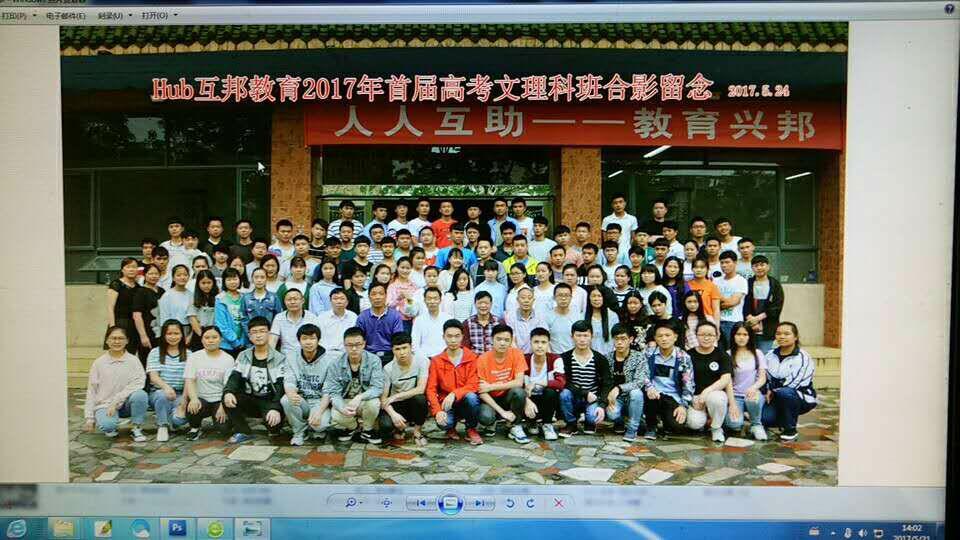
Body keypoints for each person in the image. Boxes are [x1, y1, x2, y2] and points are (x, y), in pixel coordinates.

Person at [222, 317, 287, 444]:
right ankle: (243, 431)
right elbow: (235, 377)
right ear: (249, 336)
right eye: (254, 332)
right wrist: (228, 391)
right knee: (228, 396)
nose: (258, 335)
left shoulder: (279, 358)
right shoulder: (244, 355)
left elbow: (281, 387)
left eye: (262, 331)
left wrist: (276, 408)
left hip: (270, 400)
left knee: (273, 428)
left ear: (269, 334)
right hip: (250, 398)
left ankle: (272, 424)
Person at [83, 326, 149, 442]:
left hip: (126, 404)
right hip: (105, 405)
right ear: (107, 341)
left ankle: (136, 427)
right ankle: (111, 423)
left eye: (121, 338)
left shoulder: (134, 360)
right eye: (113, 338)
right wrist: (89, 418)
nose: (117, 342)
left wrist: (116, 401)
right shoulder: (99, 363)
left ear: (127, 341)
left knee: (140, 395)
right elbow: (92, 390)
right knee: (108, 426)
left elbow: (139, 383)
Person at [321, 327, 385, 444]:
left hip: (364, 400)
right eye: (350, 345)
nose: (354, 349)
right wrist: (342, 408)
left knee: (374, 403)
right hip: (346, 401)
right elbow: (333, 392)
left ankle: (367, 429)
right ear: (344, 345)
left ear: (364, 344)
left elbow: (377, 387)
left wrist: (359, 397)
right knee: (336, 414)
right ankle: (353, 427)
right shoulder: (336, 364)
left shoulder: (374, 360)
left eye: (358, 344)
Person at [426, 320, 484, 445]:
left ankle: (471, 428)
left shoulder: (472, 357)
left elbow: (473, 384)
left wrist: (454, 394)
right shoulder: (436, 361)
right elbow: (431, 389)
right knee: (444, 423)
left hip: (465, 401)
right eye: (449, 336)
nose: (453, 340)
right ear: (443, 337)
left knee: (472, 397)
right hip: (446, 403)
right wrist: (437, 411)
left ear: (462, 337)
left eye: (457, 336)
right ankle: (450, 428)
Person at [476, 325, 532, 443]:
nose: (502, 343)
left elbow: (519, 382)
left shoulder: (517, 354)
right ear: (492, 339)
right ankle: (494, 420)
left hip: (508, 396)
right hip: (490, 399)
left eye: (506, 340)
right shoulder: (482, 359)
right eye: (499, 339)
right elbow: (482, 391)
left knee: (519, 392)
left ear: (511, 341)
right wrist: (502, 412)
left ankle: (515, 425)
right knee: (486, 417)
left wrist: (491, 386)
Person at [762, 322, 817, 441]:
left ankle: (790, 429)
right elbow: (764, 377)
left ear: (795, 337)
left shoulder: (803, 357)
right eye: (778, 333)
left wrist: (773, 390)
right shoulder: (770, 355)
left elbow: (795, 383)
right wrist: (767, 390)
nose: (781, 337)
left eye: (786, 334)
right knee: (765, 419)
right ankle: (782, 419)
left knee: (786, 392)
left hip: (799, 396)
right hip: (775, 396)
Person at [281, 324, 333, 446]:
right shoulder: (291, 357)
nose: (308, 342)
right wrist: (291, 393)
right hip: (302, 400)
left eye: (312, 338)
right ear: (299, 340)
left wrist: (319, 411)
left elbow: (328, 390)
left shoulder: (329, 360)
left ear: (318, 340)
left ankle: (316, 428)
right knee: (286, 399)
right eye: (304, 338)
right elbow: (289, 380)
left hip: (319, 401)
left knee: (320, 426)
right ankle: (299, 432)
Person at [642, 320, 695, 440]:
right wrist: (649, 387)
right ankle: (651, 426)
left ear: (675, 337)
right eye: (660, 336)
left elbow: (689, 384)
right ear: (655, 338)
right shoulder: (648, 354)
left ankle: (663, 420)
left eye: (667, 335)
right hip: (652, 395)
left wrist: (683, 405)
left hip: (672, 397)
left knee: (677, 426)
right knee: (650, 397)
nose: (664, 339)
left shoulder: (683, 357)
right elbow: (642, 374)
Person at [557, 321, 611, 437]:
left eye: (586, 335)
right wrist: (584, 393)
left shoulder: (600, 359)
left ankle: (588, 420)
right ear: (572, 336)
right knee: (564, 394)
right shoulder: (565, 358)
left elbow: (607, 383)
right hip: (574, 397)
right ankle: (571, 424)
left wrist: (602, 405)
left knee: (592, 418)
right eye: (578, 335)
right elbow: (563, 382)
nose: (582, 339)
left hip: (593, 398)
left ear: (592, 336)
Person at [684, 321, 735, 443]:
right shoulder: (688, 355)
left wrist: (706, 392)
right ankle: (705, 418)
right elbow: (684, 380)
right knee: (694, 423)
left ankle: (716, 428)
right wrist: (691, 400)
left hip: (714, 394)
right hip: (695, 397)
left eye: (710, 335)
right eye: (702, 334)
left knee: (717, 399)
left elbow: (725, 379)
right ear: (696, 335)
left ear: (716, 336)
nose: (706, 338)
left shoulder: (722, 355)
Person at [183, 326, 234, 440]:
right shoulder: (194, 357)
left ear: (221, 339)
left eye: (214, 337)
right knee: (193, 408)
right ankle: (195, 428)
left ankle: (223, 422)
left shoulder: (228, 359)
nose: (210, 340)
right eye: (207, 337)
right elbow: (190, 380)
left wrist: (223, 406)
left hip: (219, 399)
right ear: (202, 340)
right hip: (201, 399)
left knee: (224, 429)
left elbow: (229, 385)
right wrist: (193, 399)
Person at [379, 333, 430, 446]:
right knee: (386, 425)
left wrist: (396, 396)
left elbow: (421, 389)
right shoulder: (388, 368)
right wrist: (393, 414)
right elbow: (383, 399)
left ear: (411, 347)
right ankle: (399, 427)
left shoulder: (422, 361)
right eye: (397, 349)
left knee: (420, 399)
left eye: (404, 348)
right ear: (392, 350)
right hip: (397, 405)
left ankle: (417, 431)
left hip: (413, 401)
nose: (402, 352)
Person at [604, 324, 650, 442]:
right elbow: (604, 381)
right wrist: (608, 395)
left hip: (632, 398)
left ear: (630, 339)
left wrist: (619, 388)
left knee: (636, 393)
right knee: (612, 414)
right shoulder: (608, 358)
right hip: (616, 398)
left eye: (623, 339)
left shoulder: (639, 357)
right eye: (616, 339)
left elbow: (639, 381)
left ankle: (632, 429)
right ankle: (620, 422)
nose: (619, 342)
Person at [146, 320, 190, 441]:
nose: (173, 337)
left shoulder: (189, 354)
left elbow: (189, 379)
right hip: (159, 392)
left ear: (182, 335)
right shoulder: (155, 352)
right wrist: (166, 387)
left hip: (180, 393)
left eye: (176, 333)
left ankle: (172, 419)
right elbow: (153, 376)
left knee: (179, 420)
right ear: (163, 335)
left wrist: (184, 399)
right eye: (169, 333)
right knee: (162, 396)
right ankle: (163, 426)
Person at [723, 322, 768, 440]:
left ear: (750, 336)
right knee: (734, 424)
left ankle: (756, 425)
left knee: (752, 398)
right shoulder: (727, 354)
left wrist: (753, 388)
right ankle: (742, 414)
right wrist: (732, 404)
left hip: (753, 393)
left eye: (745, 334)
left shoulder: (758, 353)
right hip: (735, 395)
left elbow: (762, 378)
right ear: (733, 336)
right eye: (738, 334)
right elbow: (727, 382)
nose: (741, 338)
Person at [523, 328, 564, 440]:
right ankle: (531, 422)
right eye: (536, 342)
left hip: (547, 401)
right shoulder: (525, 359)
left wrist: (536, 382)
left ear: (548, 344)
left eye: (543, 342)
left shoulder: (555, 359)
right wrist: (527, 401)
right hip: (529, 400)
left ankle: (547, 424)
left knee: (551, 392)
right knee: (518, 394)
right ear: (531, 343)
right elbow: (518, 384)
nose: (540, 346)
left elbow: (560, 383)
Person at [743, 255, 785, 354]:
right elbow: (744, 304)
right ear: (752, 268)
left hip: (767, 328)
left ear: (768, 266)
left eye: (762, 265)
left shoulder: (775, 284)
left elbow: (777, 306)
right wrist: (751, 321)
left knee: (765, 355)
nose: (759, 268)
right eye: (756, 266)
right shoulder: (748, 283)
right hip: (749, 328)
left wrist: (757, 319)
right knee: (750, 355)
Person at [356, 283, 405, 365]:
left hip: (390, 355)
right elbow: (359, 340)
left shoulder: (395, 315)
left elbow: (398, 339)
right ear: (369, 297)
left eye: (381, 294)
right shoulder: (362, 317)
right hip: (369, 355)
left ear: (386, 296)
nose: (377, 297)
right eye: (374, 294)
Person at [270, 289, 321, 359]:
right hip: (285, 357)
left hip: (307, 356)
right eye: (289, 299)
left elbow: (318, 340)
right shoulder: (279, 317)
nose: (292, 302)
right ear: (284, 302)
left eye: (295, 299)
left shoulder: (312, 317)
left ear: (303, 301)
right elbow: (272, 341)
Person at [107, 257, 143, 354]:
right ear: (122, 270)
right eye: (128, 267)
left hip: (134, 325)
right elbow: (110, 307)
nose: (131, 269)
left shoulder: (139, 287)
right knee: (117, 352)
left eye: (134, 267)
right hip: (120, 323)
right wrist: (113, 327)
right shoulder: (116, 284)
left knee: (131, 353)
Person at [716, 250, 749, 346]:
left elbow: (732, 302)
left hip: (733, 322)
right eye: (722, 263)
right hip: (717, 321)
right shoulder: (716, 281)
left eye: (727, 262)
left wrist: (717, 304)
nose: (724, 265)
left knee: (732, 349)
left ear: (735, 263)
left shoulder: (741, 281)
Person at [132, 264, 165, 361]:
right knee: (147, 360)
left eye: (156, 274)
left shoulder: (162, 291)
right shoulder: (140, 292)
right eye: (150, 273)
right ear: (145, 275)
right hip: (147, 331)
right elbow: (137, 315)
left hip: (161, 332)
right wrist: (143, 336)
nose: (154, 276)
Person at [214, 268, 247, 357]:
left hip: (244, 342)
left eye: (235, 279)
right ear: (224, 282)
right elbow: (221, 325)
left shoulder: (245, 297)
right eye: (229, 279)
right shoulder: (220, 299)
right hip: (226, 345)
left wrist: (243, 341)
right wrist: (235, 342)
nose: (232, 282)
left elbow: (247, 320)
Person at [503, 287, 546, 354]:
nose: (526, 301)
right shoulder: (510, 317)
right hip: (517, 354)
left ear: (533, 300)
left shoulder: (540, 316)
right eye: (523, 298)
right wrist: (519, 356)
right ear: (517, 300)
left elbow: (542, 337)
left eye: (529, 298)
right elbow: (512, 339)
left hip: (535, 354)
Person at [317, 288, 357, 354]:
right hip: (326, 353)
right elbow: (318, 338)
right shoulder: (322, 317)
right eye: (335, 299)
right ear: (330, 301)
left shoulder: (353, 317)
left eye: (342, 299)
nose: (339, 301)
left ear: (347, 302)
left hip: (346, 353)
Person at [158, 265, 193, 341]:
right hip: (172, 331)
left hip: (188, 330)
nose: (182, 277)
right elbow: (164, 318)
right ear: (173, 278)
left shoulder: (191, 294)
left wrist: (190, 335)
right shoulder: (167, 295)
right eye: (178, 275)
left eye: (185, 275)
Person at [410, 287, 447, 358]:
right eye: (429, 299)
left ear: (440, 300)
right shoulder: (419, 320)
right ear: (424, 301)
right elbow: (414, 343)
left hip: (444, 358)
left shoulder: (448, 319)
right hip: (425, 358)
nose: (432, 301)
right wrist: (423, 358)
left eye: (435, 298)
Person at [187, 270, 219, 351]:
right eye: (203, 283)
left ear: (213, 282)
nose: (206, 286)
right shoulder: (193, 298)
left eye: (209, 282)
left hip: (215, 333)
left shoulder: (218, 297)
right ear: (198, 283)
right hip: (199, 333)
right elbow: (192, 319)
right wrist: (202, 336)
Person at [386, 256, 420, 331]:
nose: (405, 270)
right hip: (397, 321)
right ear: (397, 268)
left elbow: (417, 303)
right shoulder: (392, 286)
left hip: (413, 320)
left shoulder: (414, 286)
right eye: (402, 267)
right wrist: (398, 298)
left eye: (408, 268)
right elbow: (388, 305)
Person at [584, 285, 620, 355]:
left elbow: (616, 337)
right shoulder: (582, 316)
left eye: (599, 296)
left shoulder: (612, 316)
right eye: (593, 296)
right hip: (588, 356)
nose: (596, 299)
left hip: (608, 355)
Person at [545, 283, 580, 355]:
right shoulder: (547, 316)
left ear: (571, 297)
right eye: (560, 295)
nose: (563, 298)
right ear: (554, 297)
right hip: (555, 356)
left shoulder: (578, 316)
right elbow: (545, 339)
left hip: (573, 356)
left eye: (566, 295)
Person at [687, 258, 722, 324]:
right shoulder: (686, 285)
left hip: (707, 321)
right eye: (696, 267)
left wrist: (716, 326)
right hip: (690, 321)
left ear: (707, 269)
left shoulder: (712, 286)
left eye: (702, 267)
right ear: (692, 269)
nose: (699, 270)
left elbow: (716, 309)